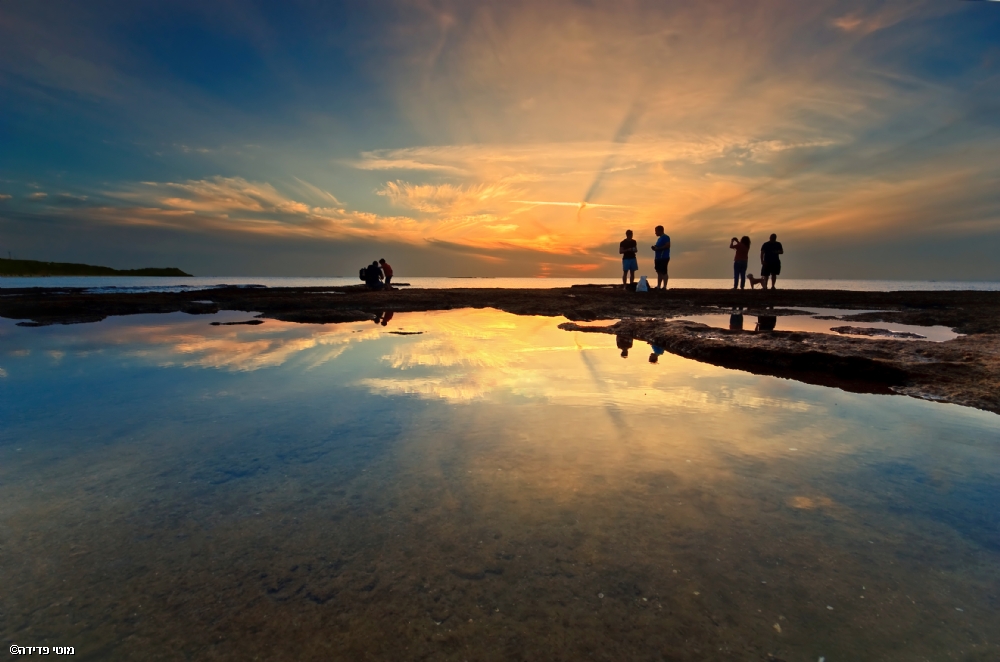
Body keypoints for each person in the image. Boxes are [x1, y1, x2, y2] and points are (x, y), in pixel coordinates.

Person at [650, 225, 671, 290]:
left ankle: (664, 286)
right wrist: (655, 248)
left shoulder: (666, 237)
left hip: (663, 257)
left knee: (664, 271)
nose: (655, 233)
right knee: (659, 271)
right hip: (658, 258)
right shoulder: (659, 238)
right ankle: (658, 286)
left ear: (660, 231)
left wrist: (658, 248)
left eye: (656, 231)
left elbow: (668, 245)